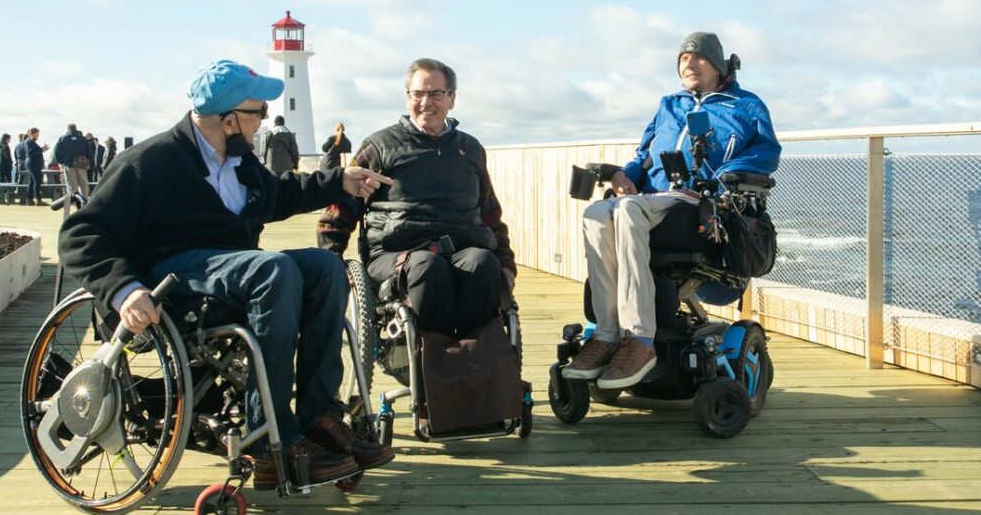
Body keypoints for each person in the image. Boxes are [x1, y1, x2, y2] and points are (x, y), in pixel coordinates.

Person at [59, 59, 397, 488]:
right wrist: (123, 289)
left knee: (325, 266)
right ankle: (270, 438)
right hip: (171, 279)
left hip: (233, 271)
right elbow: (80, 234)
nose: (263, 123)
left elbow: (277, 195)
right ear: (231, 120)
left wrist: (338, 181)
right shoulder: (150, 162)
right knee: (272, 269)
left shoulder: (238, 161)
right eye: (258, 114)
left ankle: (318, 417)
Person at [563, 31, 781, 389]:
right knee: (598, 213)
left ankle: (640, 339)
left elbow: (767, 152)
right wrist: (623, 174)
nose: (689, 64)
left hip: (700, 202)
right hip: (653, 199)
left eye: (699, 58)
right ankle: (606, 334)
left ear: (719, 65)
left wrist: (726, 175)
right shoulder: (669, 105)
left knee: (628, 209)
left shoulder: (746, 105)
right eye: (683, 59)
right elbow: (643, 155)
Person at [318, 58, 517, 339]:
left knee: (483, 264)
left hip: (463, 248)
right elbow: (339, 210)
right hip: (397, 254)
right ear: (407, 97)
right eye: (418, 94)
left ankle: (475, 361)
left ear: (451, 99)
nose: (426, 102)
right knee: (428, 266)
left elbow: (490, 215)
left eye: (435, 94)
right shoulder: (379, 147)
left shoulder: (470, 149)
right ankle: (436, 365)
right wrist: (333, 259)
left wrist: (506, 264)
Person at [54, 123, 92, 201]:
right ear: (76, 128)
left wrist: (61, 161)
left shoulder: (63, 138)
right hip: (81, 163)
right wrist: (86, 161)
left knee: (72, 185)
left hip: (68, 164)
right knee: (84, 184)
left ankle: (74, 202)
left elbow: (56, 152)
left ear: (68, 129)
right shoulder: (83, 138)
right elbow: (89, 152)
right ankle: (84, 201)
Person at [22, 128, 46, 205]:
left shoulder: (30, 142)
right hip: (33, 164)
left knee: (31, 182)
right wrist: (41, 150)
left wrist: (42, 149)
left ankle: (29, 199)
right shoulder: (29, 142)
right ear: (33, 133)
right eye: (37, 133)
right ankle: (38, 200)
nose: (38, 135)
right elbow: (30, 153)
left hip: (31, 163)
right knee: (37, 181)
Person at [0, 134, 14, 204]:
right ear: (6, 139)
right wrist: (11, 162)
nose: (10, 140)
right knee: (8, 182)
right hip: (6, 166)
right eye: (9, 139)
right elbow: (7, 156)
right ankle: (8, 197)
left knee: (1, 181)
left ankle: (2, 197)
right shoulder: (6, 146)